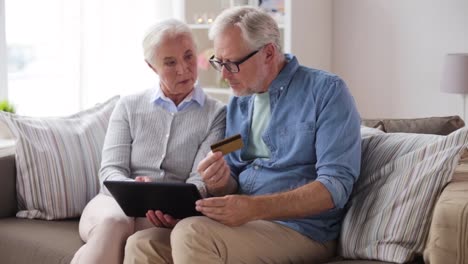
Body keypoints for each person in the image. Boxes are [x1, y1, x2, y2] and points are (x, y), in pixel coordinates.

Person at [124, 6, 361, 264]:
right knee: (143, 242)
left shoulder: (326, 92)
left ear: (268, 52)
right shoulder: (240, 103)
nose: (224, 75)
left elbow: (335, 186)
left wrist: (254, 208)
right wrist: (220, 182)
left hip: (301, 230)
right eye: (219, 62)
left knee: (192, 234)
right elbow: (233, 174)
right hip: (244, 223)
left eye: (232, 64)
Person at [71, 18, 226, 264]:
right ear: (152, 66)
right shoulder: (128, 106)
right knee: (114, 221)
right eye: (170, 62)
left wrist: (173, 206)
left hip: (169, 214)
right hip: (111, 204)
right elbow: (111, 170)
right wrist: (134, 188)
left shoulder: (216, 114)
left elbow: (200, 180)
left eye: (188, 57)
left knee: (128, 233)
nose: (183, 69)